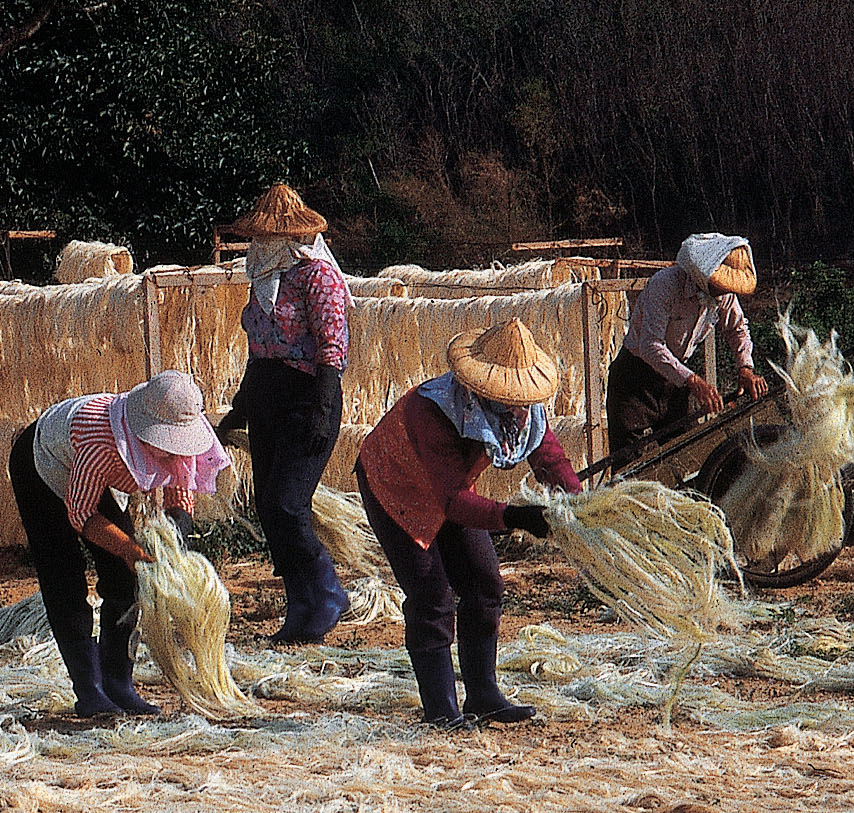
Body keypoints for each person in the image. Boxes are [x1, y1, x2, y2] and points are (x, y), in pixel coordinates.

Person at [354, 319, 583, 728]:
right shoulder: (435, 412)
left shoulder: (523, 412)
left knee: (484, 582)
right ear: (480, 387)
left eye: (521, 398)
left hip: (450, 491)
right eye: (507, 396)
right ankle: (441, 710)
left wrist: (581, 506)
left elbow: (550, 458)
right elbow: (454, 502)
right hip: (396, 486)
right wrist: (512, 517)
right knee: (432, 598)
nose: (517, 406)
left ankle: (483, 694)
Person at [8, 371, 231, 718]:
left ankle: (118, 684)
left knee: (127, 582)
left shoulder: (181, 430)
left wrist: (173, 543)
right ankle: (90, 690)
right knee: (63, 577)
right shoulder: (102, 440)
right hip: (42, 467)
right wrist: (129, 549)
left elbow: (180, 487)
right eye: (167, 446)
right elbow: (81, 514)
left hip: (91, 474)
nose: (175, 455)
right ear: (143, 433)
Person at [215, 182, 353, 645]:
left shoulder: (316, 277)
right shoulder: (263, 281)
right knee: (268, 509)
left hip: (309, 395)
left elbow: (332, 345)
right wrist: (240, 409)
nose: (262, 246)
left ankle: (328, 592)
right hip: (268, 395)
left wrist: (324, 404)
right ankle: (300, 606)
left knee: (287, 504)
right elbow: (260, 351)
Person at [606, 233, 771, 465]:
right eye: (718, 287)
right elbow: (650, 346)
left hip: (675, 381)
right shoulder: (665, 285)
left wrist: (745, 367)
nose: (722, 293)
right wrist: (694, 382)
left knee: (686, 459)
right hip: (634, 380)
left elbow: (737, 328)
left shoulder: (723, 296)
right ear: (704, 276)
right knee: (628, 467)